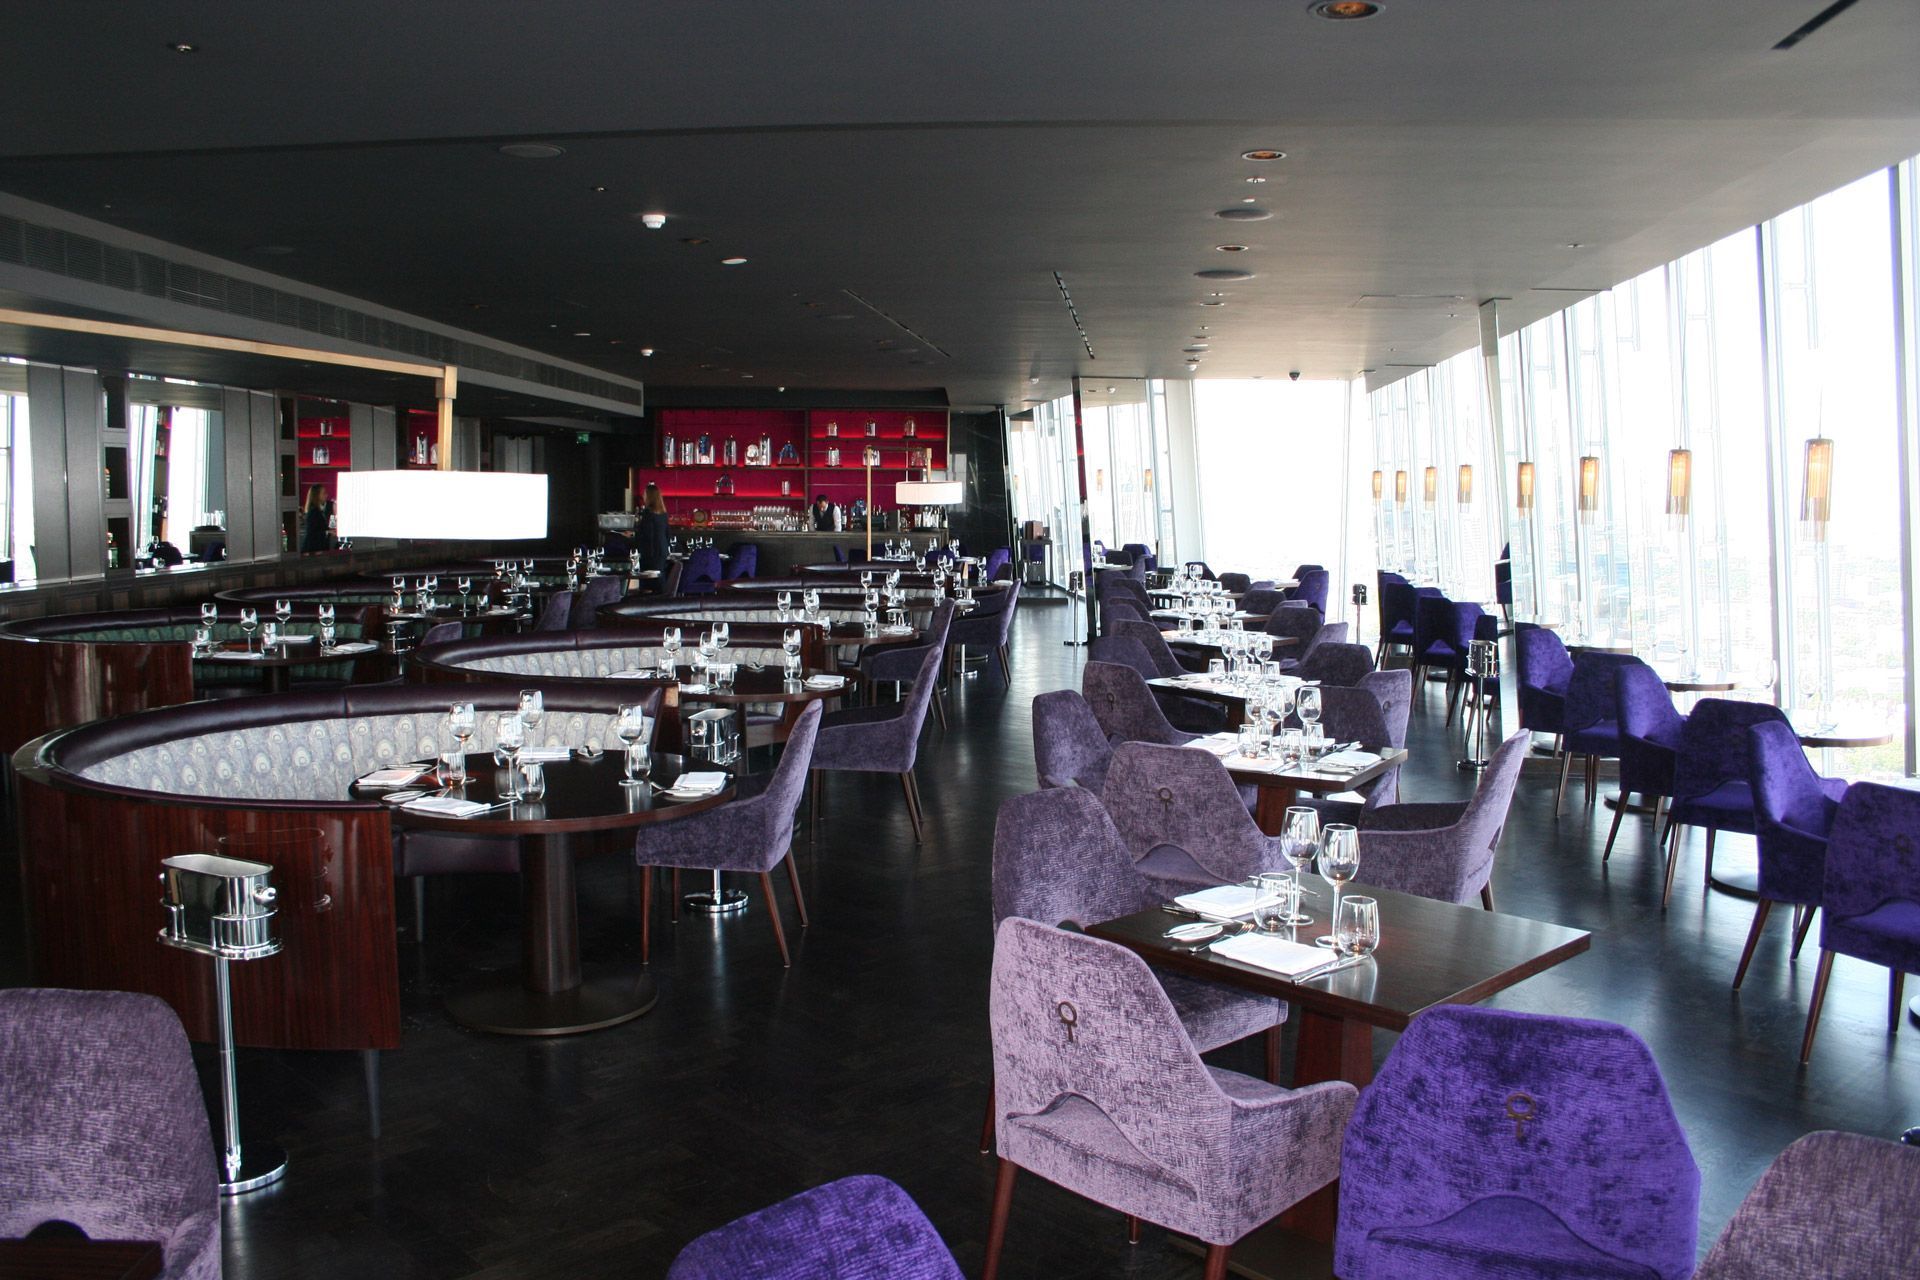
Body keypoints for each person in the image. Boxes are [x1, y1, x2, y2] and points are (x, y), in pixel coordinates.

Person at [637, 483, 671, 575]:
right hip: (662, 551)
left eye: (644, 494)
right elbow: (667, 534)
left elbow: (646, 534)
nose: (643, 496)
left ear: (649, 496)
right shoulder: (663, 514)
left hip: (650, 553)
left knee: (649, 579)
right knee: (660, 577)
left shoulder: (648, 513)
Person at [299, 484, 333, 554]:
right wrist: (328, 532)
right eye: (323, 493)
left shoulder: (316, 511)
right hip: (313, 549)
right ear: (317, 495)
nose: (326, 495)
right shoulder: (314, 512)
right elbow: (312, 532)